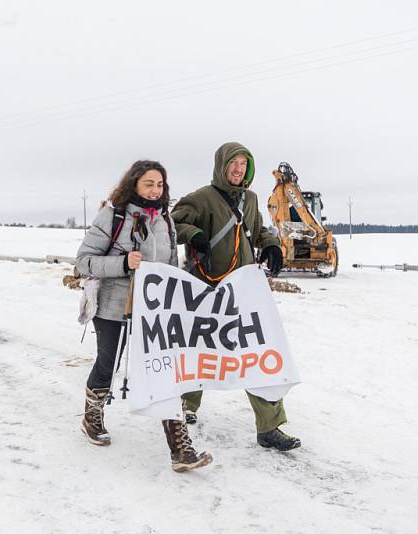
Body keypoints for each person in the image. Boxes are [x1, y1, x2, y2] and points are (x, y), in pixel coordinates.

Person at [76, 160, 212, 473]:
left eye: (160, 184)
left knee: (165, 369)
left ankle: (181, 449)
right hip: (113, 307)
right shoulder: (112, 215)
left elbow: (170, 265)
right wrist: (123, 263)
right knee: (107, 364)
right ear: (134, 184)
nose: (155, 190)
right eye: (148, 183)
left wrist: (178, 296)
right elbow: (84, 262)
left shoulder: (165, 219)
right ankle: (91, 418)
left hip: (155, 311)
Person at [171, 141, 300, 452]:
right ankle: (186, 405)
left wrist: (269, 244)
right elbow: (173, 223)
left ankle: (269, 427)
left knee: (257, 355)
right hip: (207, 291)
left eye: (244, 164)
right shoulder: (201, 198)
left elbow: (256, 230)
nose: (238, 169)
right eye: (234, 163)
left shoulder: (251, 199)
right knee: (198, 352)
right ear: (221, 165)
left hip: (243, 293)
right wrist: (195, 235)